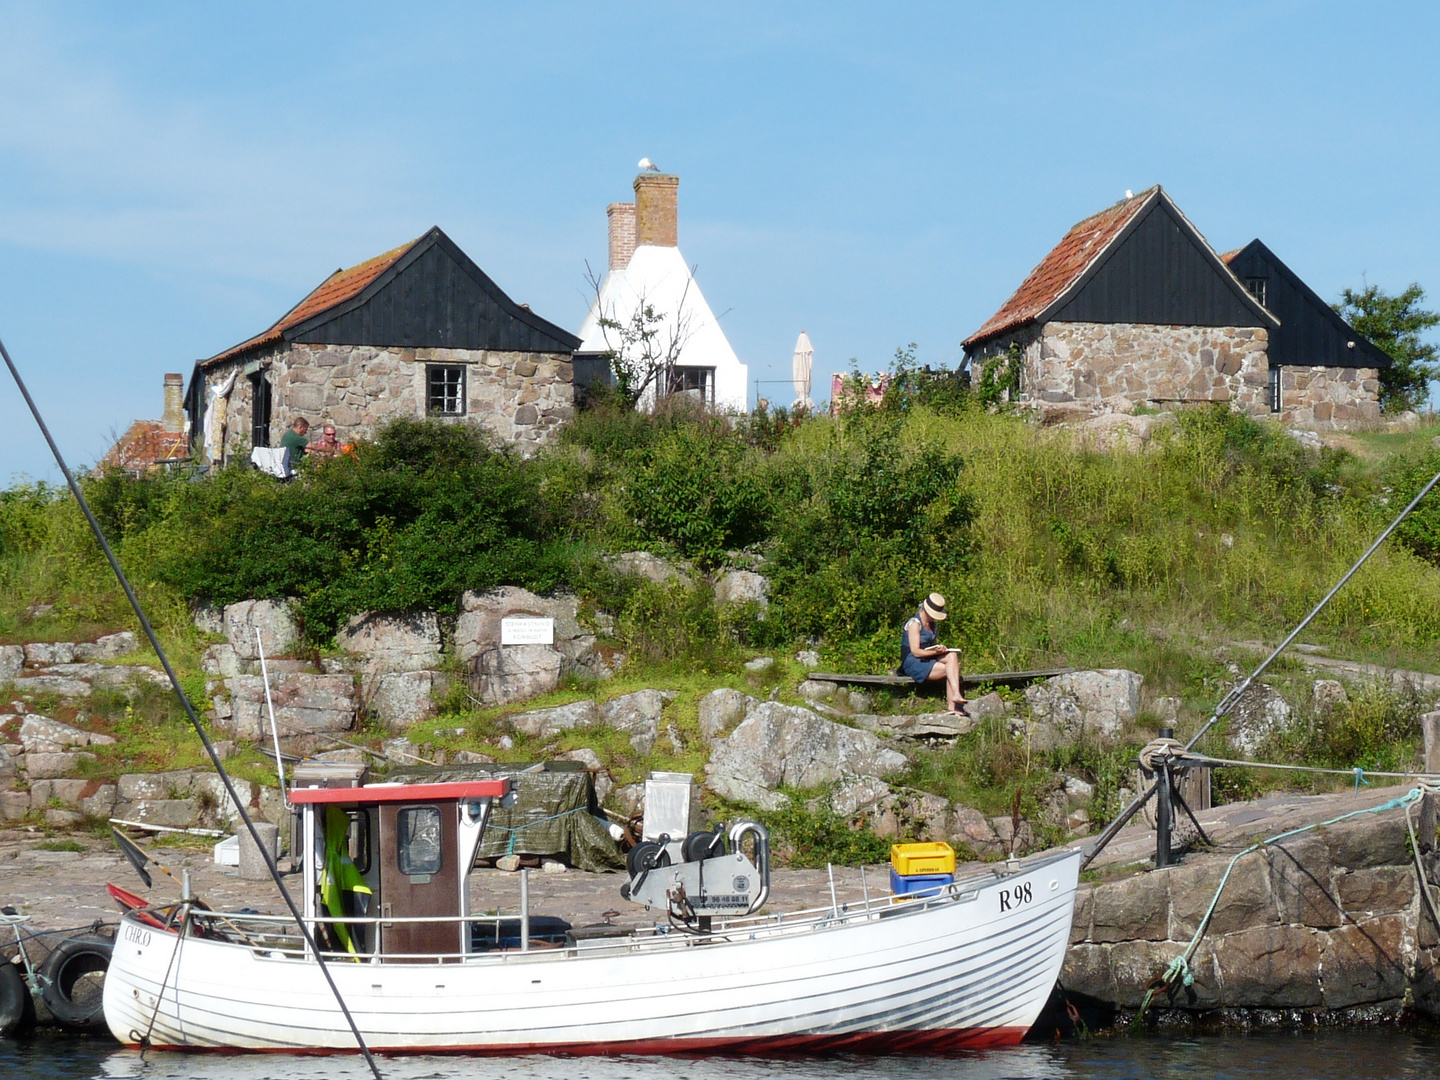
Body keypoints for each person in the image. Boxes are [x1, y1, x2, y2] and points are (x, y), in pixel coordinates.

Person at [900, 592, 966, 715]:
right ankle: (953, 705)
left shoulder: (932, 624)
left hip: (927, 658)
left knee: (952, 656)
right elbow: (915, 652)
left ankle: (955, 697)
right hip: (913, 661)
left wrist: (939, 650)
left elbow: (929, 647)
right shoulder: (915, 623)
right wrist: (934, 652)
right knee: (950, 669)